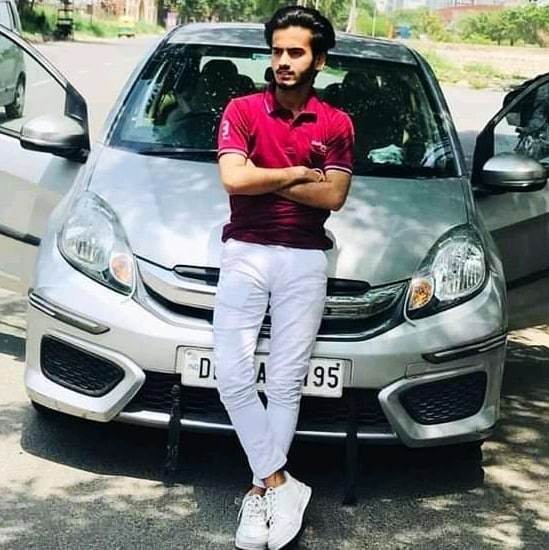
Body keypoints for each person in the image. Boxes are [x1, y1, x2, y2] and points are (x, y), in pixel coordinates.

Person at [214, 6, 354, 549]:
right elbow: (233, 178)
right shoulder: (243, 109)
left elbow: (334, 195)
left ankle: (258, 492)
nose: (283, 62)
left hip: (304, 258)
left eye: (296, 52)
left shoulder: (336, 123)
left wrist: (262, 177)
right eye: (277, 51)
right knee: (232, 374)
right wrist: (297, 173)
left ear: (319, 60)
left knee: (285, 381)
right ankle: (279, 482)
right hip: (245, 250)